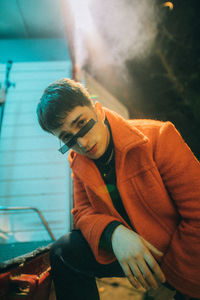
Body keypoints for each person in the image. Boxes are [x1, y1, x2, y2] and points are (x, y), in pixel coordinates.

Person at [36, 78, 200, 300]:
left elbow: (197, 214)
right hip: (129, 253)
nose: (82, 143)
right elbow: (82, 214)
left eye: (82, 123)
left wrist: (170, 278)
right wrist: (114, 234)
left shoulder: (158, 137)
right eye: (68, 138)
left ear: (99, 111)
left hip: (182, 256)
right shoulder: (78, 160)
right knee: (63, 251)